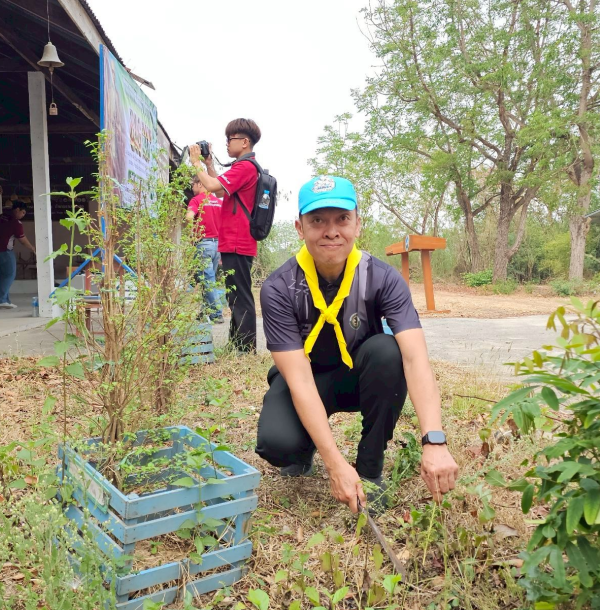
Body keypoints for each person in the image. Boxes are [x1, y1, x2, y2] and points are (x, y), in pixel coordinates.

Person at [255, 175, 460, 514]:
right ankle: (304, 449)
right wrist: (334, 463)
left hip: (360, 377)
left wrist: (434, 439)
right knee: (277, 443)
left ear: (357, 224)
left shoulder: (382, 278)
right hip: (306, 382)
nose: (331, 231)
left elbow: (415, 359)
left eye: (342, 219)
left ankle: (369, 469)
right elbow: (300, 380)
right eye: (317, 221)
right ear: (299, 228)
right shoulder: (279, 288)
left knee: (388, 351)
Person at [188, 118, 262, 353]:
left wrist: (196, 163)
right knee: (234, 295)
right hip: (234, 240)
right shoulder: (243, 167)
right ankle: (238, 344)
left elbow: (210, 187)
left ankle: (245, 348)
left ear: (244, 141)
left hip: (238, 240)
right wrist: (209, 165)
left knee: (240, 295)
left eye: (230, 139)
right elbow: (220, 190)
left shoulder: (245, 167)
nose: (227, 144)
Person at [187, 176, 225, 322]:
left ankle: (217, 314)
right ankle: (204, 312)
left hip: (204, 244)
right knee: (208, 279)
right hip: (217, 246)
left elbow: (189, 217)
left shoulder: (196, 200)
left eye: (193, 184)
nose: (192, 188)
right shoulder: (219, 203)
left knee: (207, 280)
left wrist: (191, 235)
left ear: (200, 184)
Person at [0, 205, 36, 310]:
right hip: (4, 251)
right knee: (10, 275)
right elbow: (22, 240)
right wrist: (33, 248)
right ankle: (1, 300)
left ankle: (4, 300)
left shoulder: (1, 217)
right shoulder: (16, 223)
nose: (23, 215)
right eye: (23, 212)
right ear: (17, 209)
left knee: (2, 276)